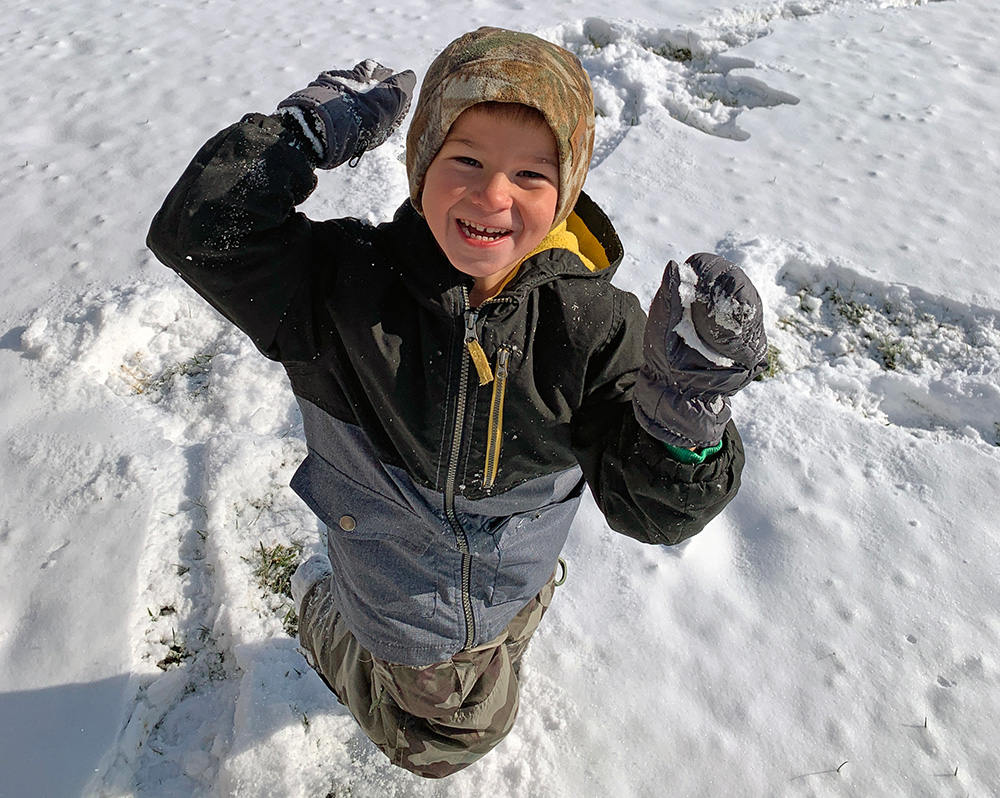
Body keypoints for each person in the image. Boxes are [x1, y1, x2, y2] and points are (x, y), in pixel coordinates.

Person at [147, 26, 767, 779]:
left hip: (516, 569)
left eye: (532, 176)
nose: (492, 195)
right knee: (453, 738)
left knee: (507, 636)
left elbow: (652, 510)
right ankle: (321, 613)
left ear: (568, 191)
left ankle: (494, 628)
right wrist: (301, 137)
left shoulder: (594, 328)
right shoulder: (339, 291)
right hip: (399, 595)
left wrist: (686, 415)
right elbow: (200, 231)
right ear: (420, 164)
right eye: (465, 160)